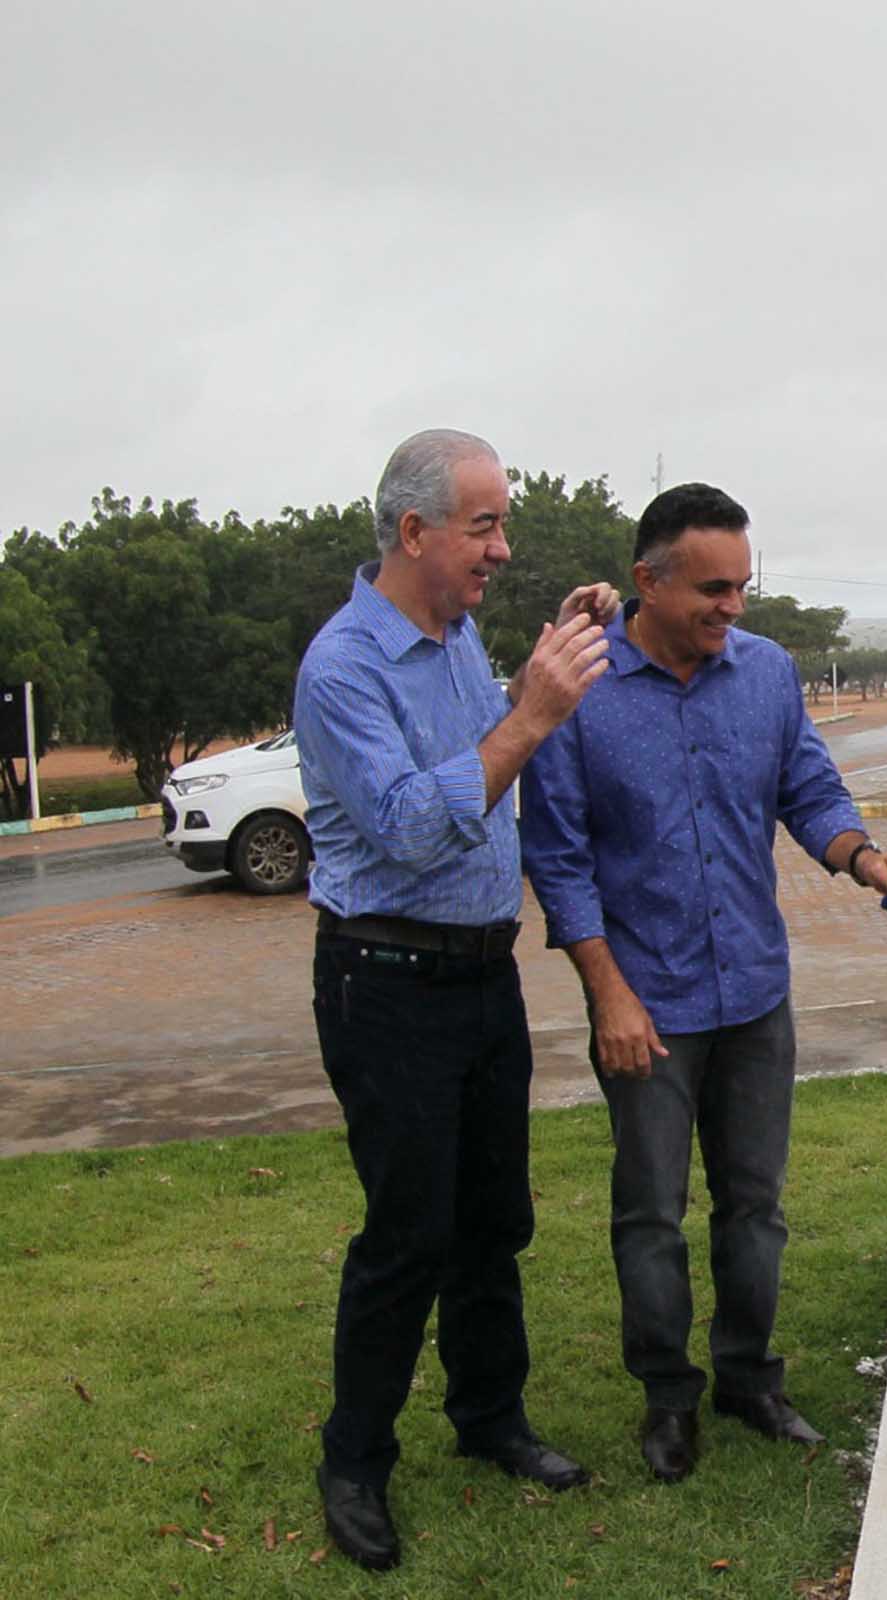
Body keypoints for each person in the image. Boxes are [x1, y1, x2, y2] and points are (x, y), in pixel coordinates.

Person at [519, 484, 887, 1485]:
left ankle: (749, 1379)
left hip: (754, 991)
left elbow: (808, 788)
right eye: (711, 589)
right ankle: (668, 1396)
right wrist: (608, 994)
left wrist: (862, 856)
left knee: (755, 1204)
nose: (731, 606)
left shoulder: (768, 672)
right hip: (645, 1003)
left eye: (742, 586)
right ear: (647, 581)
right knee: (650, 1211)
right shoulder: (579, 689)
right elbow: (559, 859)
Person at [295, 428, 619, 1572]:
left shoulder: (456, 635)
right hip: (385, 982)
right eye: (484, 526)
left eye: (503, 523)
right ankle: (354, 1460)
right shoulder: (342, 668)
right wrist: (534, 715)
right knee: (410, 1231)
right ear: (414, 530)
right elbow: (409, 826)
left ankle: (490, 1417)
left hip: (481, 974)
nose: (503, 546)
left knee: (493, 1218)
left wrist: (547, 659)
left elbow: (478, 745)